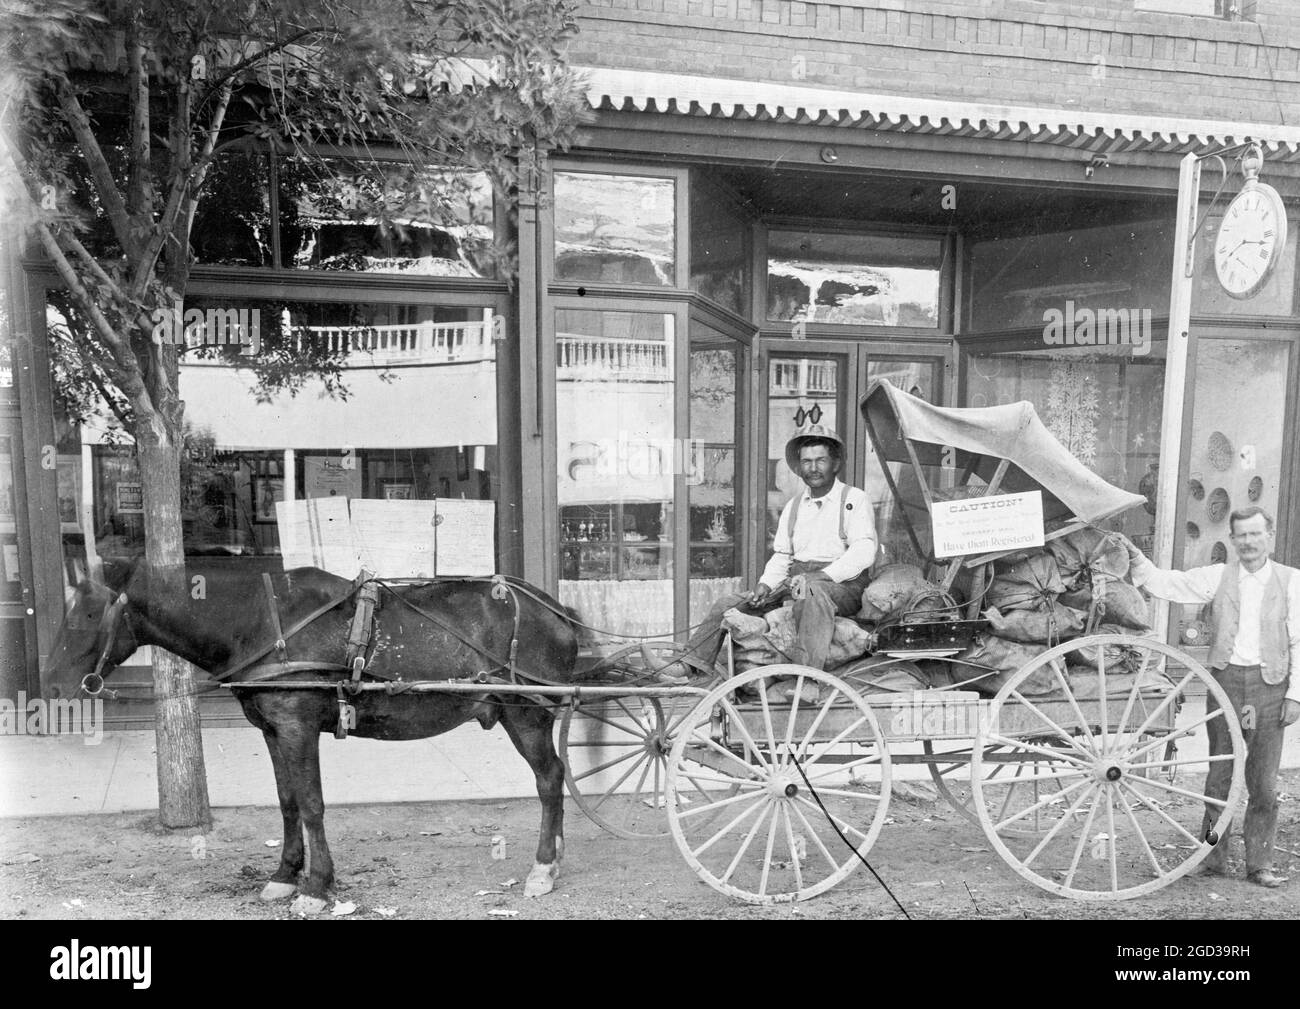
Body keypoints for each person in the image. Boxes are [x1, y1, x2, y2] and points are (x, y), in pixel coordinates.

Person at [1120, 506, 1300, 887]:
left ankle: (1259, 864)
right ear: (1232, 540)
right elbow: (1167, 584)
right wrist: (1138, 560)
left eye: (1256, 534)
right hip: (1225, 683)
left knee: (1264, 782)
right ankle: (1212, 856)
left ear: (1269, 536)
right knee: (1219, 778)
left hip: (1271, 687)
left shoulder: (1292, 582)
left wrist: (1295, 696)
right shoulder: (1218, 576)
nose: (1249, 542)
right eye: (1242, 536)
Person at [657, 424, 876, 680]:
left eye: (820, 460)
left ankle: (808, 678)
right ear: (798, 466)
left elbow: (863, 551)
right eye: (806, 462)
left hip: (843, 585)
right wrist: (764, 585)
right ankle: (689, 665)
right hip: (798, 580)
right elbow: (783, 556)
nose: (813, 468)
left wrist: (823, 576)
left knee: (811, 590)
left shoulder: (854, 499)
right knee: (729, 603)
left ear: (835, 464)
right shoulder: (795, 506)